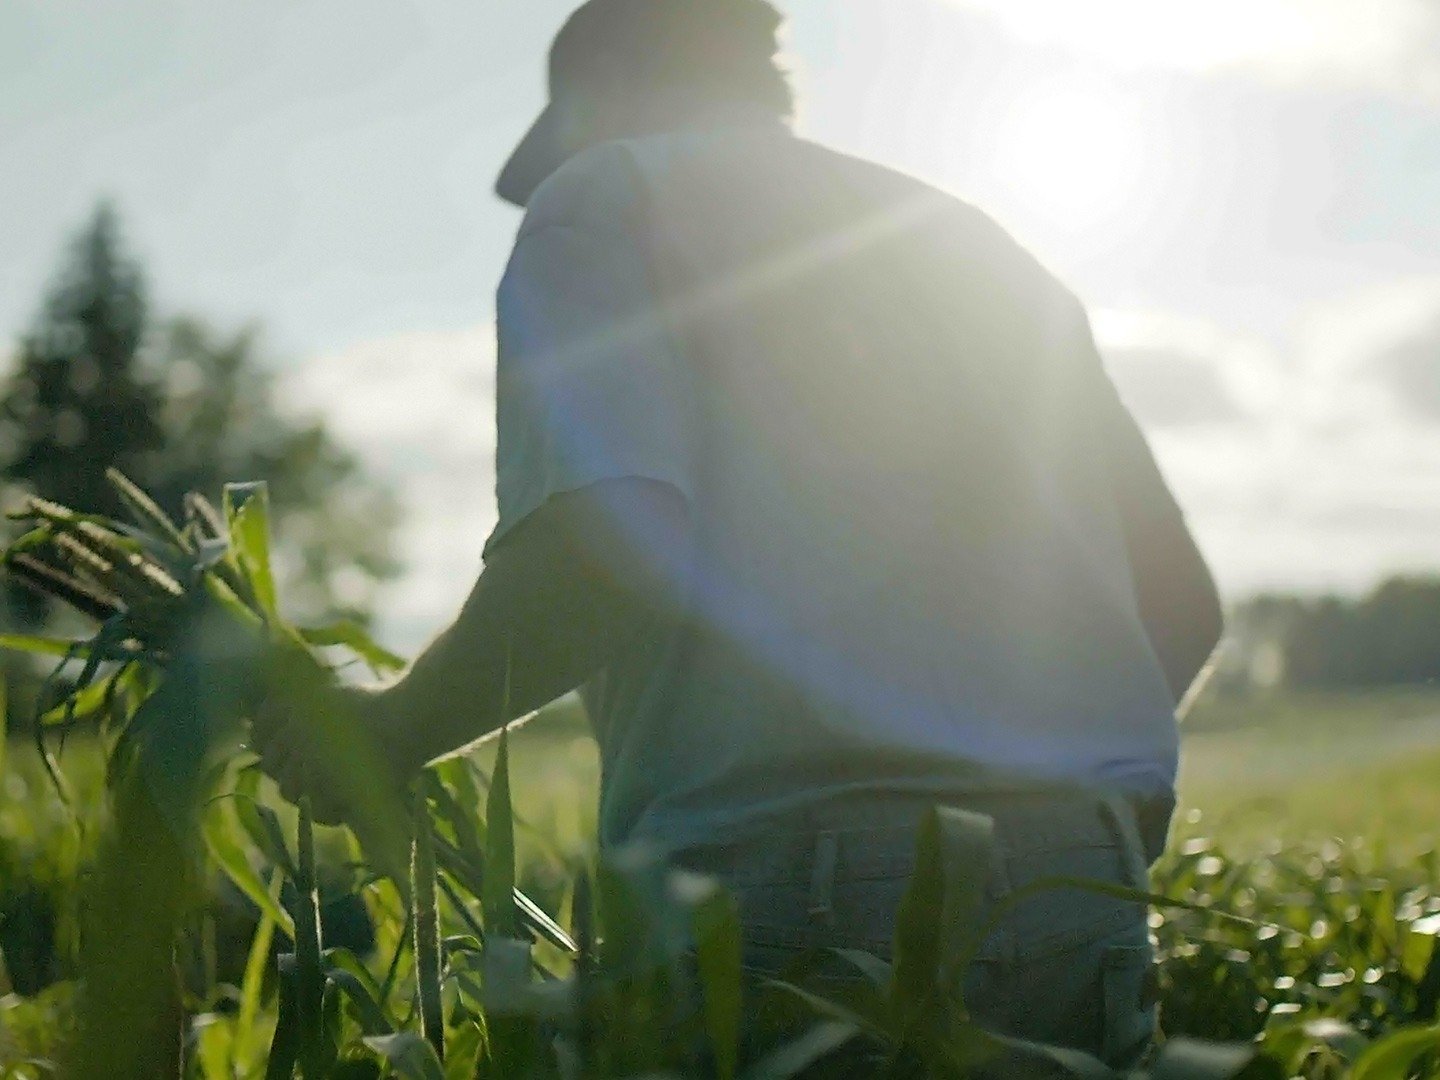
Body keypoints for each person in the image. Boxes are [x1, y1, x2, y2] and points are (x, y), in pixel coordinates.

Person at [251, 0, 1223, 1068]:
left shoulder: (609, 195)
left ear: (602, 91)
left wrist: (386, 732)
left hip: (800, 906)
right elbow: (1180, 602)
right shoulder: (988, 252)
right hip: (1083, 897)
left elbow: (602, 550)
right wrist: (1067, 815)